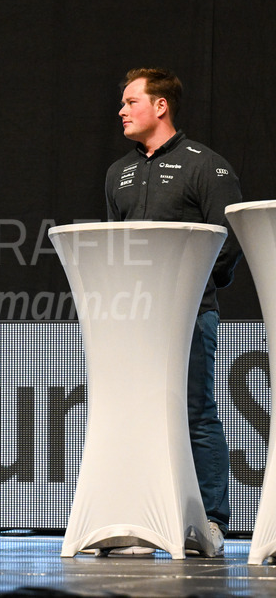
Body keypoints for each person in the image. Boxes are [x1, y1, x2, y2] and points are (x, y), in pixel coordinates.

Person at [104, 67, 242, 556]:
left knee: (195, 412)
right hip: (133, 318)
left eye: (131, 102)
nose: (121, 111)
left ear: (160, 106)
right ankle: (142, 522)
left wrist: (188, 292)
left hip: (190, 315)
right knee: (137, 415)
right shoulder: (117, 172)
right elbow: (115, 247)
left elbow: (227, 243)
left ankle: (209, 522)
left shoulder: (206, 166)